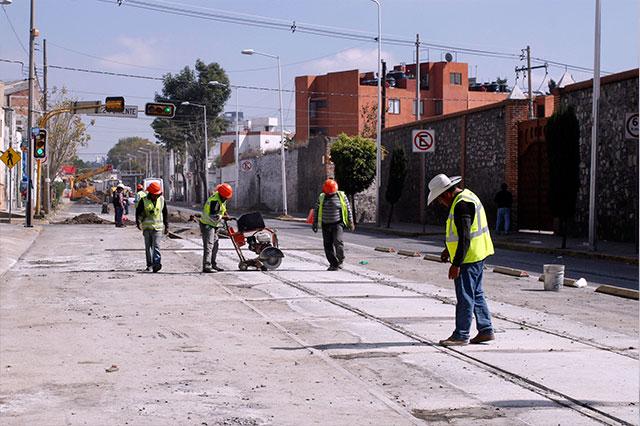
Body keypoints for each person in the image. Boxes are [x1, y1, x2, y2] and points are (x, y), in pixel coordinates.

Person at [427, 174, 495, 346]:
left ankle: (461, 334)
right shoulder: (468, 196)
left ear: (447, 194)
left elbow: (465, 237)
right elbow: (461, 234)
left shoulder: (461, 205)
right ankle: (486, 330)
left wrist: (456, 264)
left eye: (440, 199)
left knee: (465, 296)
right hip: (477, 254)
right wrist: (447, 250)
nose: (441, 203)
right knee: (476, 293)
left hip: (468, 258)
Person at [312, 179, 354, 271]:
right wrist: (314, 223)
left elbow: (348, 209)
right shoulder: (322, 197)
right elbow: (316, 210)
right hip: (325, 225)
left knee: (338, 242)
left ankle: (341, 260)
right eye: (328, 193)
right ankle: (333, 264)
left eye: (331, 193)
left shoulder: (342, 196)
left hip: (337, 224)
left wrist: (351, 222)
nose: (330, 195)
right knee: (327, 245)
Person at [135, 182, 168, 273]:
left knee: (156, 246)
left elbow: (165, 213)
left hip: (157, 228)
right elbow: (138, 212)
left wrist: (167, 225)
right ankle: (149, 265)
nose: (157, 196)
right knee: (148, 247)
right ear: (151, 193)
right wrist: (138, 222)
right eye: (155, 194)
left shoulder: (161, 200)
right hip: (147, 228)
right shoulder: (144, 200)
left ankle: (156, 264)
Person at [199, 183, 232, 273]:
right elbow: (214, 216)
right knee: (209, 246)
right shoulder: (215, 201)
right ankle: (207, 266)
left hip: (214, 225)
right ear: (222, 194)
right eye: (226, 196)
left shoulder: (221, 198)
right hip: (207, 224)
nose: (227, 198)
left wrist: (226, 215)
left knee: (215, 245)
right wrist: (223, 217)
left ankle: (213, 264)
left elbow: (223, 210)